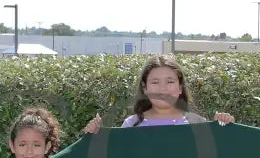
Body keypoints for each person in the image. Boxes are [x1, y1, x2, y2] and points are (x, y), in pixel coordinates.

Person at [83, 55, 234, 132]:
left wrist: (224, 128)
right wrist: (97, 136)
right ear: (145, 88)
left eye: (170, 82)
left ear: (180, 88)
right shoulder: (131, 125)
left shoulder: (198, 123)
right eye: (155, 82)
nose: (163, 89)